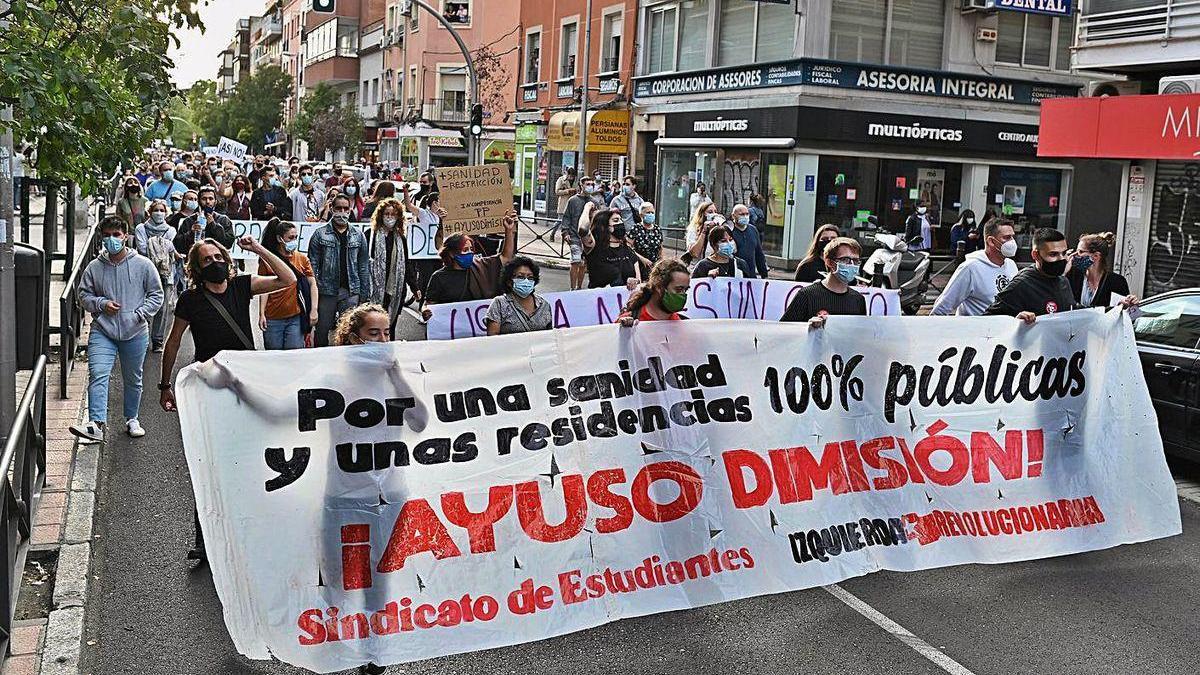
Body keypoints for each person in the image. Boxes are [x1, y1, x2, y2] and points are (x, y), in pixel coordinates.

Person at [157, 235, 295, 562]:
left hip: (246, 385)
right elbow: (174, 342)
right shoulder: (190, 300)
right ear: (196, 268)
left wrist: (259, 249)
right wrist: (165, 385)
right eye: (207, 260)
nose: (215, 262)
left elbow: (287, 279)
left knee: (253, 459)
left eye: (219, 256)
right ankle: (204, 540)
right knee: (209, 464)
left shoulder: (241, 286)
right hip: (211, 387)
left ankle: (251, 530)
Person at [69, 217, 164, 444]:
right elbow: (83, 295)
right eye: (107, 235)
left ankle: (132, 418)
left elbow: (156, 294)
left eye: (116, 234)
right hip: (103, 330)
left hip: (135, 332)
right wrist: (102, 304)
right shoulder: (94, 267)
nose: (112, 239)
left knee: (133, 378)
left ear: (125, 236)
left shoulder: (143, 264)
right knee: (98, 373)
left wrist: (139, 313)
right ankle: (96, 424)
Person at [984, 228, 1137, 324]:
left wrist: (1115, 309)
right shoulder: (1022, 283)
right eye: (1053, 254)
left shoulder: (1063, 281)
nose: (1061, 259)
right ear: (1036, 255)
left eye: (1063, 253)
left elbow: (1075, 311)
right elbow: (987, 321)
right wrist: (1015, 322)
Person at [307, 194, 373, 347]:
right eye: (338, 208)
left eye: (345, 209)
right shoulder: (319, 234)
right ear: (332, 209)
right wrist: (314, 293)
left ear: (350, 211)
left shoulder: (358, 235)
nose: (342, 212)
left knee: (349, 332)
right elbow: (312, 267)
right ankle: (321, 361)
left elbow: (363, 266)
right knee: (322, 330)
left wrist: (364, 294)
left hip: (351, 291)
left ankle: (345, 363)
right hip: (326, 291)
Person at [422, 212, 518, 309]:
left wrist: (509, 231)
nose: (469, 253)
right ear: (451, 253)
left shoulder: (480, 266)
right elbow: (428, 304)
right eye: (464, 250)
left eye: (471, 249)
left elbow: (506, 257)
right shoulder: (438, 277)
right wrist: (425, 311)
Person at [931, 219, 1020, 317]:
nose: (1012, 242)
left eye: (1012, 237)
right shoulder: (970, 268)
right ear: (991, 241)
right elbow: (941, 308)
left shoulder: (1011, 265)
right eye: (1007, 238)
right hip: (976, 330)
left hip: (1005, 330)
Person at [257, 218, 318, 350]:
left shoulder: (302, 259)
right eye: (290, 238)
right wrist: (261, 313)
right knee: (274, 358)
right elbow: (264, 289)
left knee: (294, 356)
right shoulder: (268, 261)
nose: (294, 241)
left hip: (295, 318)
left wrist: (314, 310)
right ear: (280, 239)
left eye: (296, 237)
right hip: (272, 319)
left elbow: (313, 284)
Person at [780, 236, 866, 327]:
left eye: (856, 261)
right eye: (845, 260)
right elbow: (784, 331)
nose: (851, 265)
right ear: (829, 262)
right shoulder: (807, 295)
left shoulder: (858, 300)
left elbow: (860, 334)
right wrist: (806, 327)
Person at [365, 198, 418, 336]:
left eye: (393, 214)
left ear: (398, 217)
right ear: (380, 216)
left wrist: (415, 287)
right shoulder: (370, 235)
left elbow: (407, 264)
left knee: (390, 326)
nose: (389, 217)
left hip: (395, 290)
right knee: (372, 325)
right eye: (386, 214)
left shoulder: (401, 238)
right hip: (374, 288)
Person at [135, 200, 182, 351]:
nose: (159, 213)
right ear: (150, 212)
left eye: (162, 210)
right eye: (156, 210)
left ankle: (158, 340)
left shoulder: (171, 231)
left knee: (162, 308)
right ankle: (141, 336)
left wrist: (155, 245)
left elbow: (172, 251)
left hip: (166, 273)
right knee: (142, 304)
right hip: (144, 272)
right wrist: (163, 246)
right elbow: (142, 249)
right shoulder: (141, 228)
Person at [485, 256, 553, 335]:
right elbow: (492, 338)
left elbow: (549, 337)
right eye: (520, 277)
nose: (526, 281)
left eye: (530, 278)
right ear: (509, 282)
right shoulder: (499, 304)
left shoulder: (544, 305)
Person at [559, 175, 603, 290]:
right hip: (574, 235)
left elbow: (597, 220)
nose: (590, 187)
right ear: (581, 185)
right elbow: (566, 217)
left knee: (583, 263)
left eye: (592, 185)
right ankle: (572, 288)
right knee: (575, 261)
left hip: (588, 237)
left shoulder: (594, 202)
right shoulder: (573, 200)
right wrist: (565, 232)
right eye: (587, 184)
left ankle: (579, 287)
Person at [582, 208, 644, 290]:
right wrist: (587, 207)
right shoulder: (595, 248)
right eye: (616, 220)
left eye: (621, 220)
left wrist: (635, 282)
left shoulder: (628, 251)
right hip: (599, 300)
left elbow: (638, 280)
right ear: (605, 226)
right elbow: (583, 229)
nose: (621, 223)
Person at [617, 258, 691, 326]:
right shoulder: (628, 322)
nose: (683, 295)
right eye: (679, 289)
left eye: (685, 290)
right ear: (659, 286)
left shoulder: (682, 325)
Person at [1068, 232, 1131, 309]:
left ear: (1096, 256)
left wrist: (1129, 303)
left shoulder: (1117, 282)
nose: (1075, 255)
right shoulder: (1073, 276)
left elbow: (1126, 311)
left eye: (1080, 252)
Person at [174, 187, 235, 254]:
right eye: (204, 199)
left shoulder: (223, 220)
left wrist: (213, 225)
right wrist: (191, 233)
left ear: (215, 202)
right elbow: (178, 245)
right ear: (199, 201)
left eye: (211, 199)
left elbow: (228, 243)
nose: (207, 202)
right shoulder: (189, 220)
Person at [728, 203, 769, 279]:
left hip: (751, 276)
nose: (745, 216)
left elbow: (759, 254)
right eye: (741, 214)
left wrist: (764, 274)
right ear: (733, 216)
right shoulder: (729, 231)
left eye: (747, 214)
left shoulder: (753, 230)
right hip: (734, 276)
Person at [630, 202, 662, 278]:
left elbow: (661, 249)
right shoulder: (636, 228)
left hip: (654, 266)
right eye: (648, 212)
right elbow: (628, 248)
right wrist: (642, 259)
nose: (650, 214)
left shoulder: (657, 229)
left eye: (652, 212)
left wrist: (660, 263)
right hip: (639, 265)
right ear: (641, 215)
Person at [684, 200, 721, 265]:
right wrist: (704, 231)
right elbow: (695, 253)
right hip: (697, 266)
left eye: (715, 211)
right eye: (710, 212)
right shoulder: (693, 229)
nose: (714, 214)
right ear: (702, 214)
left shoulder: (717, 229)